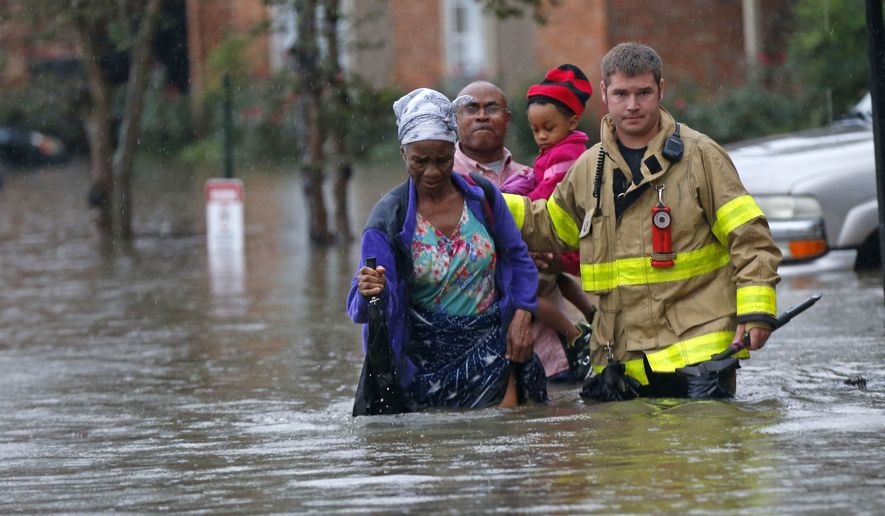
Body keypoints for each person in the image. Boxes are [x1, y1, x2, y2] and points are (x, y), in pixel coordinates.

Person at [503, 43, 782, 398]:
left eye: (643, 93)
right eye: (621, 94)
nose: (632, 105)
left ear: (661, 90)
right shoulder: (589, 168)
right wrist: (485, 200)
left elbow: (751, 238)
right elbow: (552, 227)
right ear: (604, 93)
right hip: (621, 361)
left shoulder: (700, 157)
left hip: (699, 359)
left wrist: (757, 311)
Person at [346, 88, 547, 410]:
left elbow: (517, 257)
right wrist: (372, 290)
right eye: (420, 161)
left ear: (454, 150)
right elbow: (363, 307)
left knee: (506, 441)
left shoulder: (482, 197)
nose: (433, 171)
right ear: (403, 154)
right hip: (421, 367)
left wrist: (523, 312)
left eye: (442, 159)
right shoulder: (388, 220)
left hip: (492, 351)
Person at [452, 80, 595, 381]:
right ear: (455, 119)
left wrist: (553, 255)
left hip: (549, 356)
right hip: (474, 355)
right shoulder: (440, 180)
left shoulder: (532, 177)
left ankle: (582, 330)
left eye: (491, 108)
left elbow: (581, 237)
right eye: (470, 108)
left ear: (507, 119)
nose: (481, 115)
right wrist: (512, 250)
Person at [520, 64, 598, 380]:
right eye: (535, 130)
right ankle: (594, 317)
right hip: (567, 239)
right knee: (559, 279)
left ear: (572, 121)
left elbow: (547, 196)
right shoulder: (559, 148)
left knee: (529, 294)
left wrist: (515, 204)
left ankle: (574, 336)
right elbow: (538, 181)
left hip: (563, 236)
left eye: (548, 128)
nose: (540, 136)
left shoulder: (567, 154)